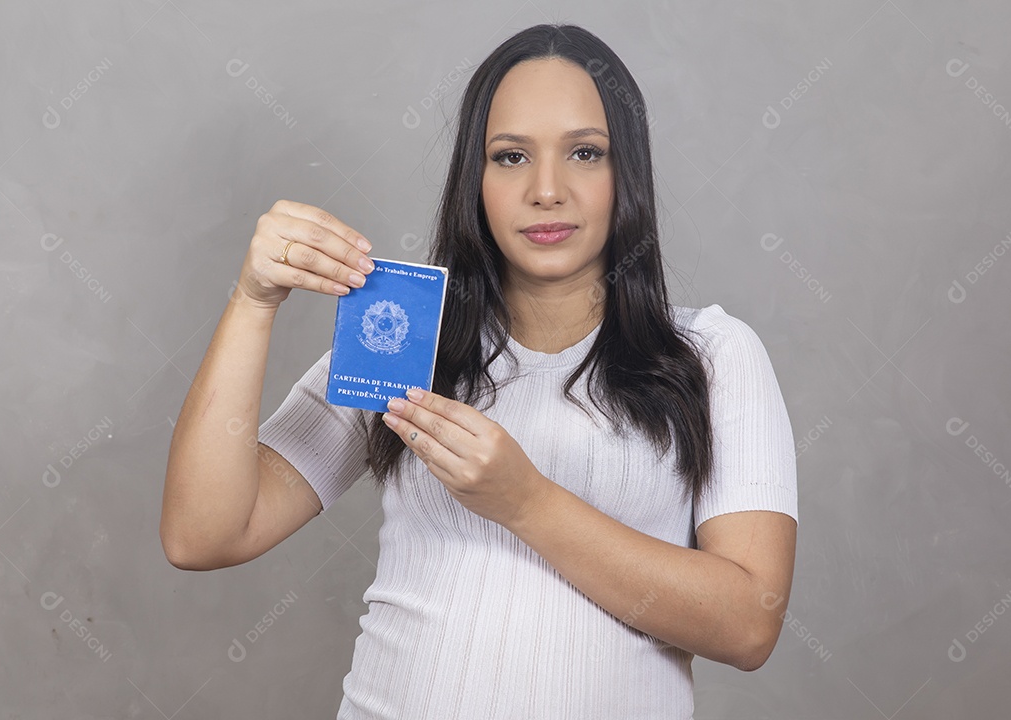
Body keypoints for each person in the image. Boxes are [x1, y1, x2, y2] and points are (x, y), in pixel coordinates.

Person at [161, 23, 798, 719]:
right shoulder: (405, 340)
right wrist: (254, 301)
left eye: (585, 153)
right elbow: (204, 534)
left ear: (628, 174)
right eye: (511, 156)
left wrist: (525, 501)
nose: (547, 190)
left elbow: (748, 625)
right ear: (475, 177)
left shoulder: (711, 355)